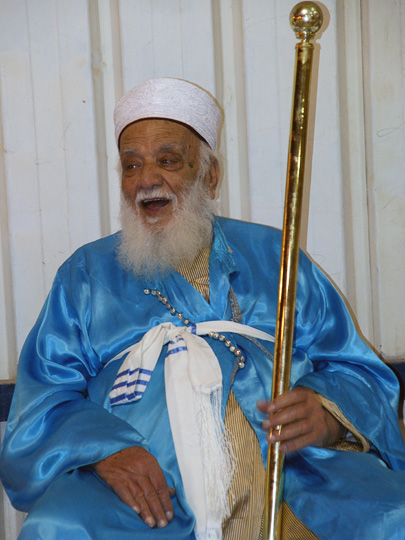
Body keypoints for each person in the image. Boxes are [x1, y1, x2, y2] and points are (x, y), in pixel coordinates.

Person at [1, 77, 405, 540]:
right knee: (58, 527)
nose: (146, 180)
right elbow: (43, 401)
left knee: (395, 516)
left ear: (209, 174)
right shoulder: (86, 275)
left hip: (294, 471)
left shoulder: (276, 254)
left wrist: (328, 414)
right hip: (149, 488)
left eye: (167, 161)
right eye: (131, 166)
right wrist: (106, 452)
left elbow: (358, 368)